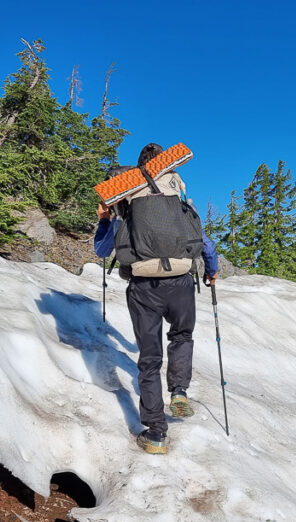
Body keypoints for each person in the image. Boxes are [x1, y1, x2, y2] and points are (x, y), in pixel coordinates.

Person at [94, 143, 219, 454]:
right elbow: (204, 242)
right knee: (182, 335)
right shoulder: (177, 194)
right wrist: (212, 270)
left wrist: (106, 218)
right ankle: (178, 393)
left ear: (138, 168)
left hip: (143, 287)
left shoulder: (129, 195)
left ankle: (156, 435)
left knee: (149, 360)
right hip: (180, 282)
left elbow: (102, 250)